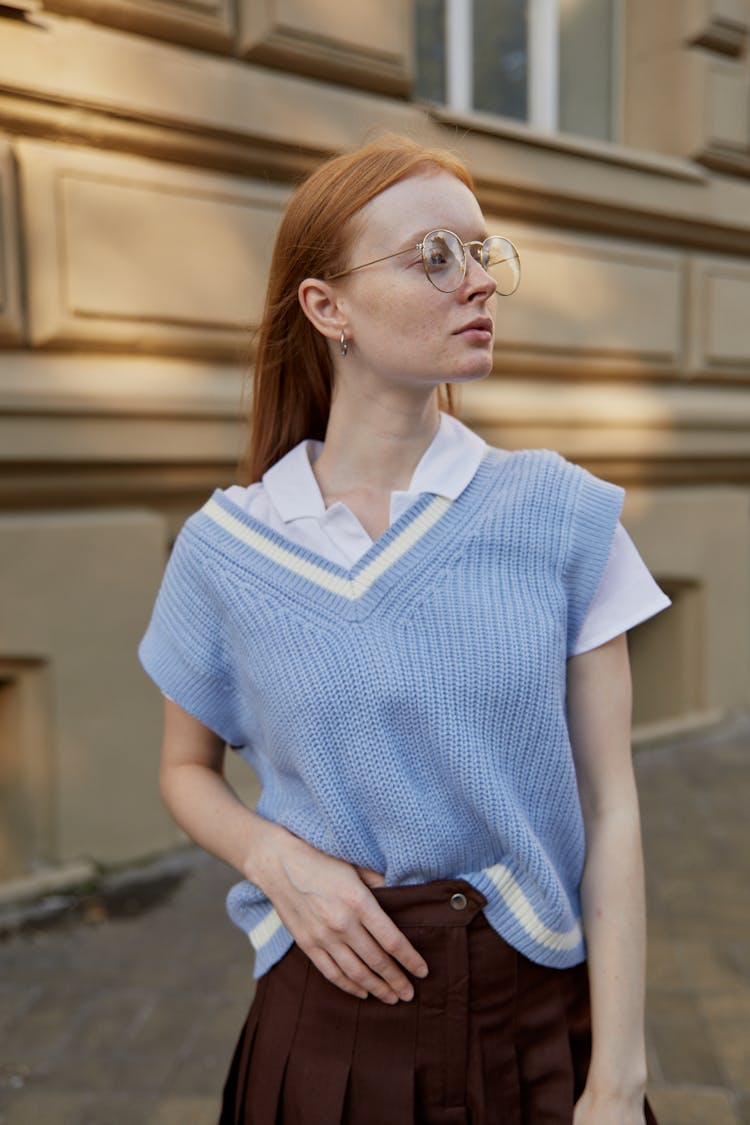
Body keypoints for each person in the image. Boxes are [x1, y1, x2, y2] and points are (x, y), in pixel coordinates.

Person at [138, 134, 669, 1124]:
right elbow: (184, 771)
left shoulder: (561, 515)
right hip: (326, 1037)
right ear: (326, 308)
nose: (477, 283)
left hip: (544, 1030)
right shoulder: (225, 550)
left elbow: (614, 811)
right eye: (435, 257)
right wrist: (272, 858)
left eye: (481, 253)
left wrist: (620, 1080)